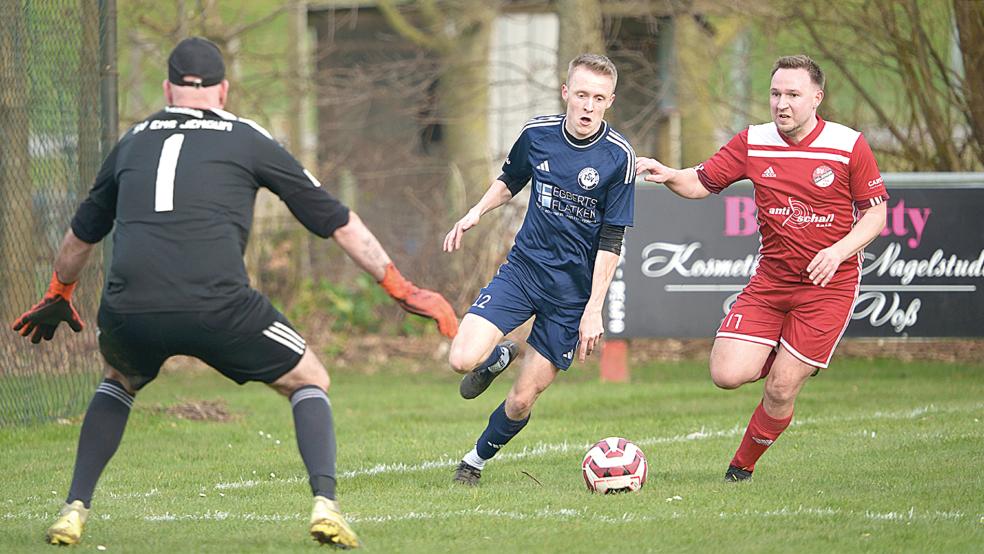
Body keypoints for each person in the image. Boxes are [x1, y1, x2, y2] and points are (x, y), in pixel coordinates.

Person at [12, 37, 458, 547]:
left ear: (167, 90)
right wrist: (399, 287)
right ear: (223, 91)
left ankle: (73, 509)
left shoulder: (132, 140)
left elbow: (79, 236)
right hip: (218, 305)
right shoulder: (246, 136)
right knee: (309, 377)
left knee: (118, 378)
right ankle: (326, 505)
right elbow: (336, 221)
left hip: (130, 307)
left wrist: (59, 290)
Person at [636, 55, 888, 481]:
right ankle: (787, 352)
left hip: (829, 286)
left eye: (793, 94)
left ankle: (741, 467)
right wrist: (669, 174)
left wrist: (838, 251)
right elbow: (701, 182)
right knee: (726, 374)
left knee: (781, 388)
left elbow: (876, 214)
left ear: (816, 98)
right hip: (771, 281)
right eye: (775, 94)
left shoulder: (848, 145)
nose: (782, 103)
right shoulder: (754, 141)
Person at [443, 54, 636, 486]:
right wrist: (475, 212)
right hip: (524, 272)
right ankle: (494, 358)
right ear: (566, 93)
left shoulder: (619, 157)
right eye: (582, 94)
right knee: (460, 359)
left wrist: (593, 309)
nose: (588, 106)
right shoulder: (537, 134)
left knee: (523, 399)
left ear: (610, 102)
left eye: (598, 98)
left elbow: (611, 241)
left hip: (572, 295)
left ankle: (473, 462)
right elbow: (510, 179)